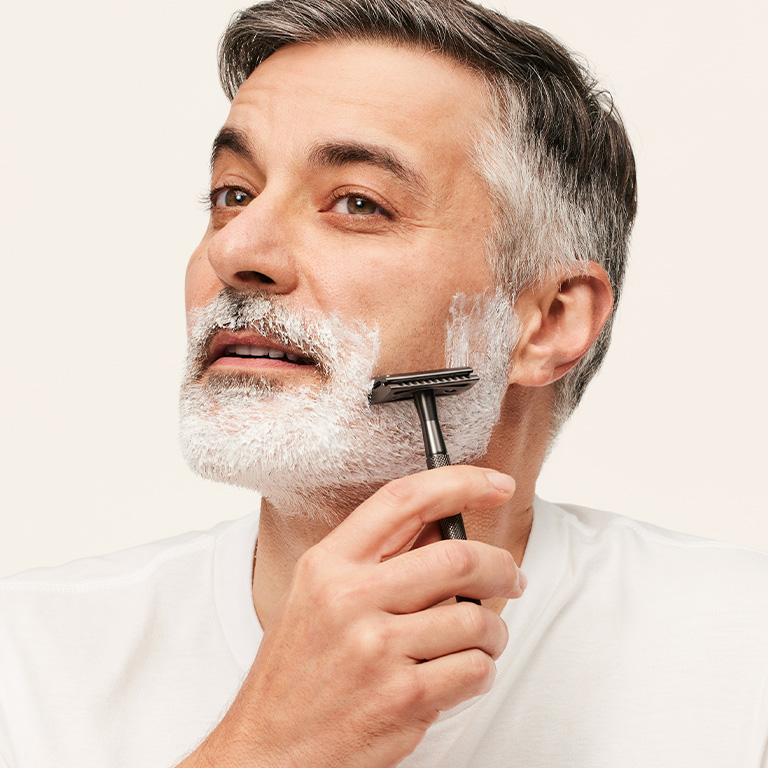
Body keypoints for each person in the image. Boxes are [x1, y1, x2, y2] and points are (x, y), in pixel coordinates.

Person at [1, 0, 766, 766]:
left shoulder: (743, 654)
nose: (237, 249)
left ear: (549, 321)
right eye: (233, 193)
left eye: (358, 203)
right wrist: (268, 748)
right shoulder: (27, 659)